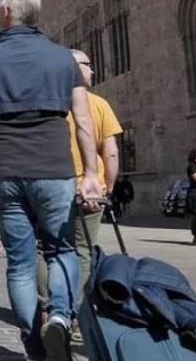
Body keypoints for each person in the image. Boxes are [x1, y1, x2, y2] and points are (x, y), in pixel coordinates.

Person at [0, 0, 101, 361]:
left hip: (4, 169)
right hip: (54, 168)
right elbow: (84, 120)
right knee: (62, 250)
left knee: (20, 263)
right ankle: (59, 315)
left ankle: (33, 345)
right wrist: (90, 173)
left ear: (5, 13)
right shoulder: (62, 59)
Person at [66, 49, 122, 292]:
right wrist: (107, 186)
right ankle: (77, 311)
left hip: (54, 187)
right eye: (88, 64)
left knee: (51, 248)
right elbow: (110, 151)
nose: (93, 70)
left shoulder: (50, 103)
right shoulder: (98, 104)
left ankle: (49, 310)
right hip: (90, 190)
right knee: (83, 249)